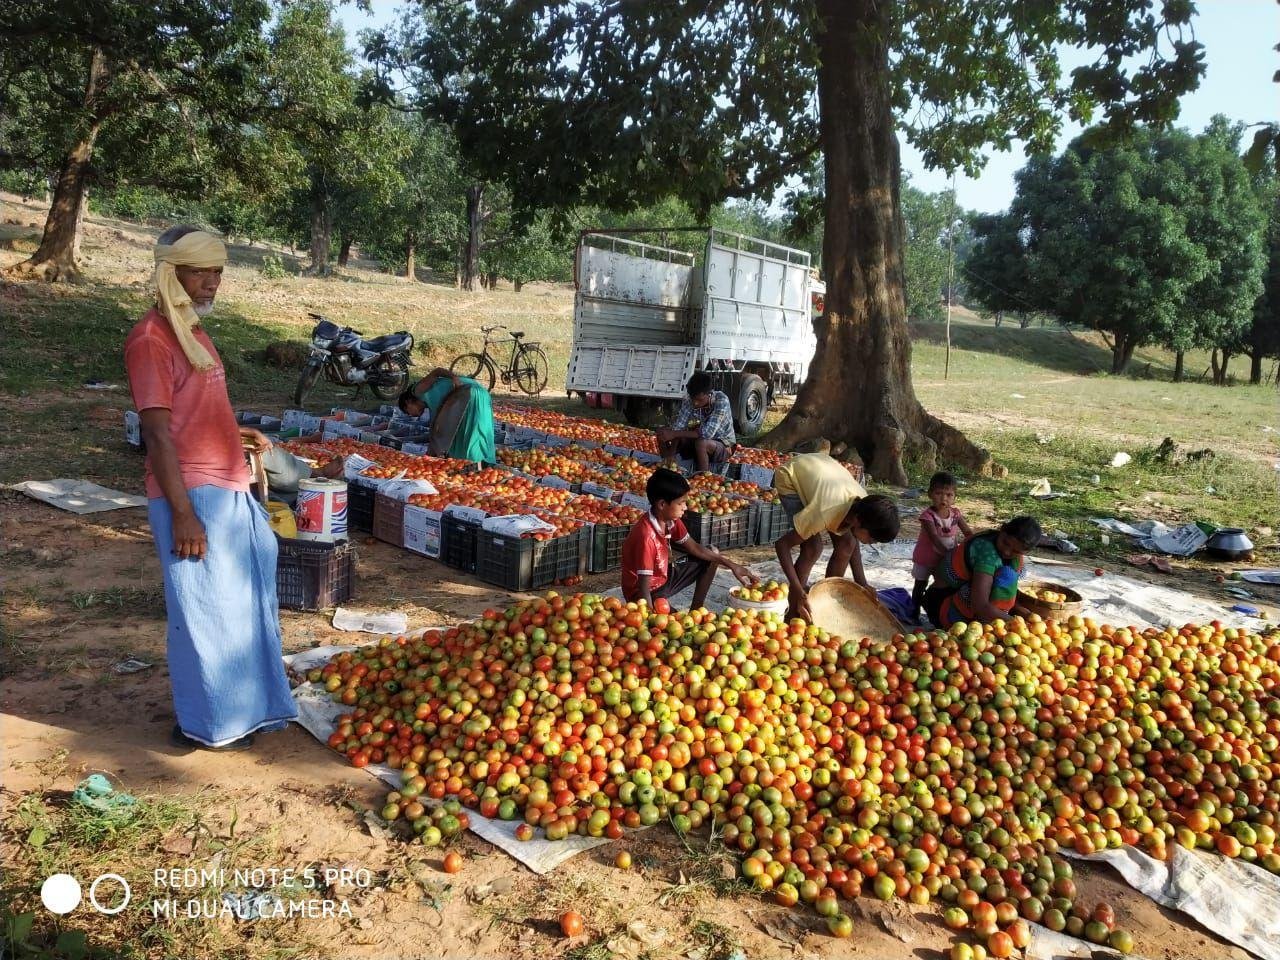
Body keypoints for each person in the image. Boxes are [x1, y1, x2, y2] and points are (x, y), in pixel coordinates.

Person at [124, 224, 298, 752]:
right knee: (206, 611)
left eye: (218, 271)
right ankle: (209, 722)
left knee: (247, 604)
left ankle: (250, 710)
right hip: (193, 495)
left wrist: (232, 432)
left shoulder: (193, 332)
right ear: (171, 272)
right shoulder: (150, 339)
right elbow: (155, 432)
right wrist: (182, 513)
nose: (212, 282)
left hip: (228, 485)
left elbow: (188, 411)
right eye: (201, 270)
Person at [772, 452, 900, 621]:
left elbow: (853, 544)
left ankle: (826, 602)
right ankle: (794, 612)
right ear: (859, 522)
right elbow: (782, 545)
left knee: (846, 544)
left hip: (823, 472)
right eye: (872, 539)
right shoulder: (825, 512)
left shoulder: (864, 506)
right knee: (812, 548)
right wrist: (797, 588)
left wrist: (863, 584)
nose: (870, 543)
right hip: (792, 476)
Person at [621, 468, 757, 609]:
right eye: (681, 503)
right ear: (662, 504)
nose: (685, 507)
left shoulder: (670, 520)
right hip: (644, 593)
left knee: (712, 553)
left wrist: (731, 565)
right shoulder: (646, 536)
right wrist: (649, 620)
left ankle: (696, 610)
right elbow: (643, 589)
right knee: (673, 629)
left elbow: (694, 548)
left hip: (663, 578)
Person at [922, 516, 1043, 628]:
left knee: (1008, 577)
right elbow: (980, 605)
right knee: (1007, 576)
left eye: (1015, 551)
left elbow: (1008, 591)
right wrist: (1017, 624)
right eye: (1006, 543)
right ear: (1002, 529)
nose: (1007, 552)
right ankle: (971, 623)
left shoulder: (1013, 556)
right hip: (940, 602)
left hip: (960, 595)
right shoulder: (986, 552)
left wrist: (1026, 614)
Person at [397, 368, 495, 463]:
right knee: (469, 432)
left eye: (408, 412)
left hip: (470, 394)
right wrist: (430, 456)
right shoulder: (431, 405)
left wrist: (454, 378)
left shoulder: (417, 390)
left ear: (408, 402)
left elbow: (437, 372)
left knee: (473, 432)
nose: (412, 415)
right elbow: (436, 431)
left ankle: (477, 463)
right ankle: (474, 465)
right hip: (473, 397)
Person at [910, 472, 974, 618]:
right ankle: (913, 612)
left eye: (949, 495)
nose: (944, 498)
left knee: (944, 584)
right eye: (939, 493)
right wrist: (950, 553)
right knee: (920, 584)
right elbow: (934, 538)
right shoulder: (927, 516)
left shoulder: (956, 514)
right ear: (930, 494)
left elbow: (967, 531)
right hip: (926, 558)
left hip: (945, 559)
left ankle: (940, 612)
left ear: (954, 497)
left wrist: (976, 543)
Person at [656, 372, 735, 473]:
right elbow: (678, 427)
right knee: (661, 432)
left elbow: (707, 433)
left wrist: (674, 433)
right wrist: (671, 452)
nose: (695, 403)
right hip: (695, 440)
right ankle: (667, 466)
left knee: (701, 443)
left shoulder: (721, 401)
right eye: (693, 399)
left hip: (722, 445)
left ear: (709, 394)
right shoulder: (689, 400)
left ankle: (702, 477)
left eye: (699, 400)